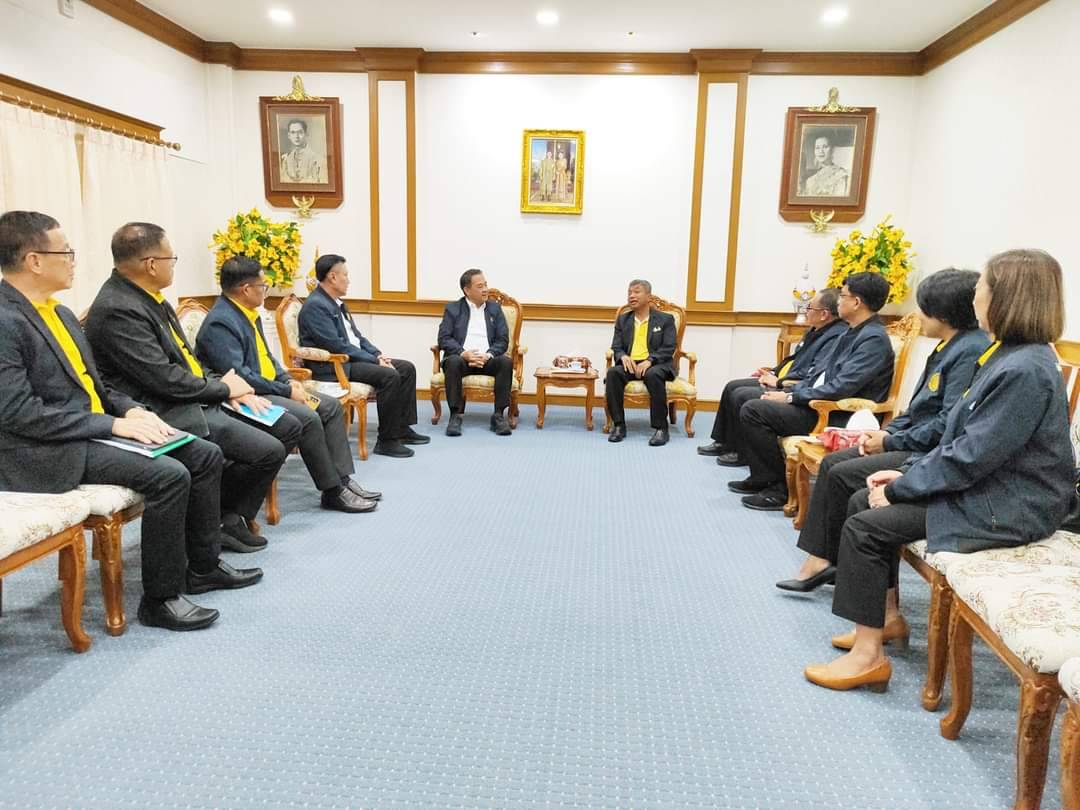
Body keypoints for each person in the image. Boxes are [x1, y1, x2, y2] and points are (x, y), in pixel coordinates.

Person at [805, 249, 1073, 693]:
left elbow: (971, 455)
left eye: (982, 287)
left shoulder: (1024, 369)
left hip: (1011, 506)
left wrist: (904, 487)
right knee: (861, 500)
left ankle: (867, 659)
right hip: (992, 487)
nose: (975, 297)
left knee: (867, 526)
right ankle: (884, 620)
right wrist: (906, 473)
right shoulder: (1007, 356)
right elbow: (958, 438)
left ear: (1006, 297)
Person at [0, 211, 261, 632]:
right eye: (65, 252)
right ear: (34, 260)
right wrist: (111, 426)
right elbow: (20, 414)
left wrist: (128, 410)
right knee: (170, 476)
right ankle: (160, 599)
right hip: (44, 449)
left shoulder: (59, 313)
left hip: (88, 430)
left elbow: (96, 384)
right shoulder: (5, 320)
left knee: (204, 454)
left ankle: (203, 566)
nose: (73, 261)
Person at [775, 268, 989, 603]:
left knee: (842, 473)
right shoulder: (950, 345)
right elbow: (920, 410)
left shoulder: (969, 351)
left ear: (943, 312)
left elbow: (946, 424)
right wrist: (887, 432)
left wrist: (890, 441)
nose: (917, 316)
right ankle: (825, 559)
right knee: (834, 465)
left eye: (923, 307)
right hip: (913, 439)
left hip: (927, 451)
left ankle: (828, 561)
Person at [84, 222, 292, 554]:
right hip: (161, 409)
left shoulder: (150, 299)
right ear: (152, 264)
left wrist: (225, 387)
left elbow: (187, 361)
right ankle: (214, 528)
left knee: (276, 437)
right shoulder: (118, 308)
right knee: (260, 451)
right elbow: (162, 378)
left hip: (190, 397)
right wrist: (223, 390)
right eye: (172, 259)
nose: (174, 266)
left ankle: (223, 518)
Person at [195, 256, 380, 514]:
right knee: (308, 417)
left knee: (329, 407)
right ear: (246, 289)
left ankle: (342, 480)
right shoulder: (221, 322)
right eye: (263, 286)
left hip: (271, 386)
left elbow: (268, 360)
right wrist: (286, 390)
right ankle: (332, 490)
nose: (265, 291)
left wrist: (288, 380)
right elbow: (241, 376)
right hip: (249, 395)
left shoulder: (247, 314)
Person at [733, 271, 895, 511]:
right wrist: (792, 390)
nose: (838, 301)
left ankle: (777, 489)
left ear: (856, 302)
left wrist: (791, 396)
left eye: (842, 296)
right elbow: (822, 376)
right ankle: (762, 478)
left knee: (755, 410)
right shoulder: (853, 331)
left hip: (838, 414)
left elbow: (842, 387)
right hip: (820, 403)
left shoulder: (872, 339)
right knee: (755, 401)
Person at [298, 253, 427, 458]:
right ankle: (387, 441)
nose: (348, 280)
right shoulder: (316, 306)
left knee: (406, 368)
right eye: (345, 275)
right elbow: (336, 346)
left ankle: (401, 428)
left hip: (351, 360)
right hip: (334, 367)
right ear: (332, 277)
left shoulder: (337, 303)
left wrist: (378, 355)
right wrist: (375, 361)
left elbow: (357, 338)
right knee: (389, 376)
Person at [697, 288, 844, 465]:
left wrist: (779, 382)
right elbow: (793, 360)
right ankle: (725, 443)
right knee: (732, 386)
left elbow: (811, 374)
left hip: (794, 387)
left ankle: (743, 452)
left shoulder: (835, 337)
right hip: (785, 380)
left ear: (824, 314)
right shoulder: (815, 330)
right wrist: (773, 372)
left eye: (809, 308)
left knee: (742, 395)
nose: (806, 312)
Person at [437, 268, 513, 437]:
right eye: (480, 286)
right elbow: (444, 338)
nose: (485, 289)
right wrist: (463, 353)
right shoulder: (453, 309)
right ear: (467, 290)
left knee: (505, 362)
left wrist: (488, 354)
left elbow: (503, 339)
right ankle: (455, 416)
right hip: (462, 359)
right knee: (453, 362)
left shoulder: (495, 309)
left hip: (487, 359)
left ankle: (498, 416)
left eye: (485, 285)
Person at [605, 279, 677, 446]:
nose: (632, 296)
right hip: (630, 363)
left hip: (656, 364)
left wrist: (650, 360)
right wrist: (623, 356)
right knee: (613, 373)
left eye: (636, 292)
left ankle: (661, 428)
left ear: (648, 296)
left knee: (653, 375)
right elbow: (616, 346)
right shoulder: (623, 319)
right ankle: (619, 425)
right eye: (629, 292)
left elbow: (669, 347)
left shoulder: (665, 319)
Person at [279, 119, 323, 184]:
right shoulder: (285, 159)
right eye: (293, 132)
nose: (296, 136)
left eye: (300, 132)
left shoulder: (317, 159)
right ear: (289, 136)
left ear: (306, 134)